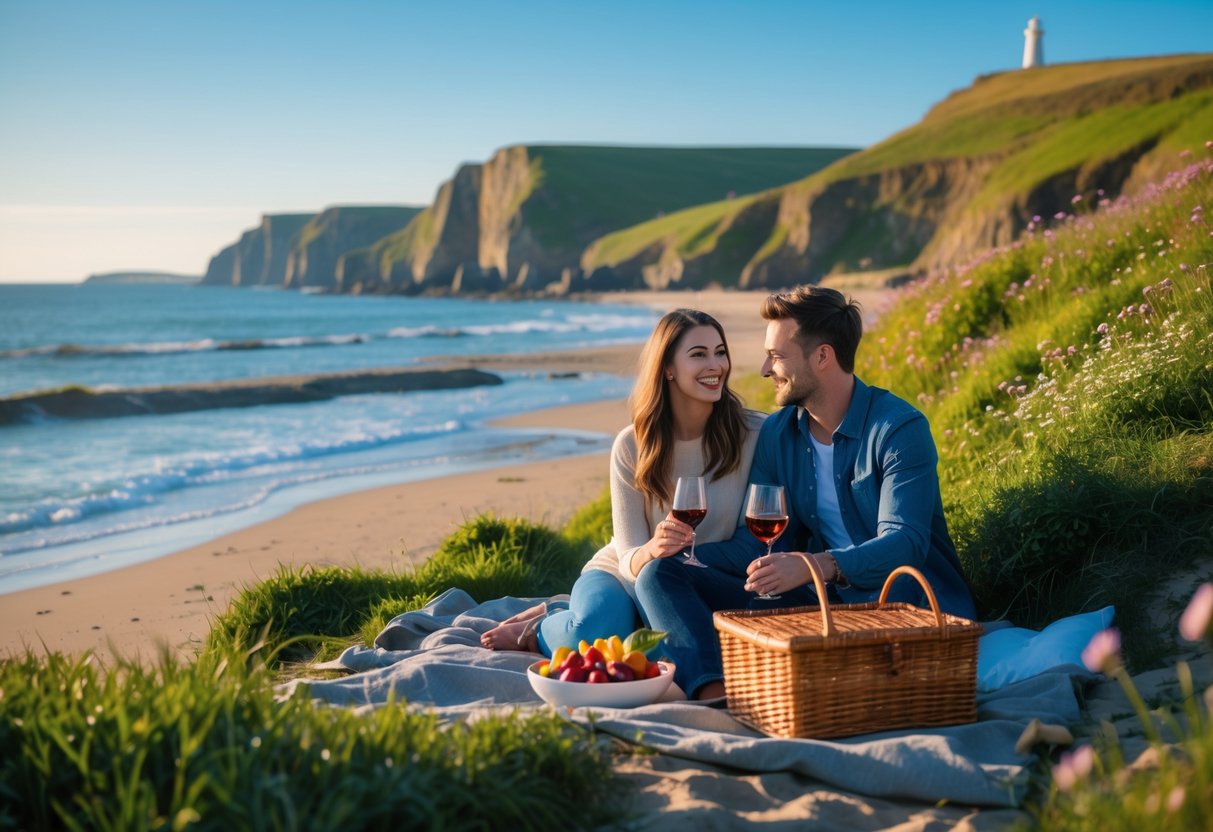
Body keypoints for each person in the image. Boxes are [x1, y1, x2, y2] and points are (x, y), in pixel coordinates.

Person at [635, 285, 976, 700]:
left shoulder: (899, 429)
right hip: (821, 604)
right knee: (660, 574)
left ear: (823, 357)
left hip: (902, 602)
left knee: (899, 591)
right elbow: (754, 545)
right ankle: (714, 691)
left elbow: (905, 543)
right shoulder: (779, 435)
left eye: (777, 357)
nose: (764, 368)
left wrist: (818, 565)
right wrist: (680, 555)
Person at [480, 308, 767, 656]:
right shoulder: (632, 445)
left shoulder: (753, 435)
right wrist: (653, 550)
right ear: (668, 369)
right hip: (624, 570)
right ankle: (546, 624)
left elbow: (748, 540)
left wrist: (673, 567)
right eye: (698, 354)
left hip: (691, 579)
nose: (716, 366)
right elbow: (628, 552)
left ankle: (577, 610)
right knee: (593, 633)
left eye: (720, 352)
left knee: (666, 649)